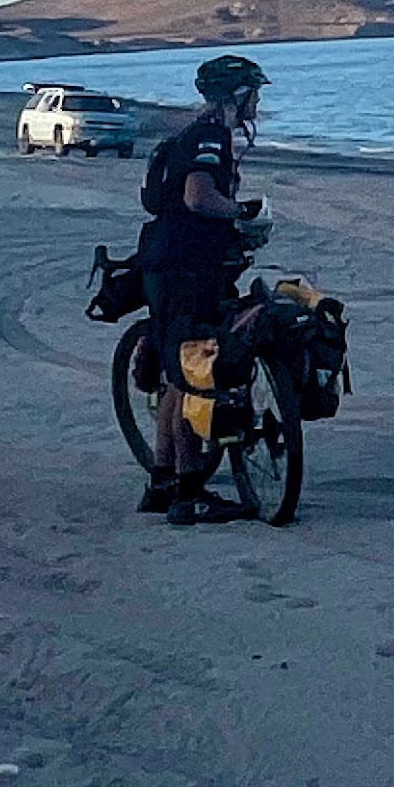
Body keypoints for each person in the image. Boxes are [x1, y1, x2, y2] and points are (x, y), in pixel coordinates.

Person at [134, 54, 271, 526]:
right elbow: (198, 196)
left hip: (167, 263)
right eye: (254, 93)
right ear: (237, 96)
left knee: (176, 377)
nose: (258, 101)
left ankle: (162, 483)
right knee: (195, 373)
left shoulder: (191, 134)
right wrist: (240, 213)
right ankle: (190, 496)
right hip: (186, 269)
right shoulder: (211, 136)